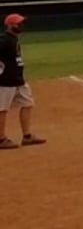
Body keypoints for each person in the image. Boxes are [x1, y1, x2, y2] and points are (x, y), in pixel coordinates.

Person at [0, 14, 46, 149]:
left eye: (21, 23)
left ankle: (27, 136)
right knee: (2, 109)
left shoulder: (14, 39)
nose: (21, 26)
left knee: (27, 103)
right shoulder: (5, 40)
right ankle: (1, 139)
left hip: (18, 80)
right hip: (6, 80)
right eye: (18, 23)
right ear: (10, 25)